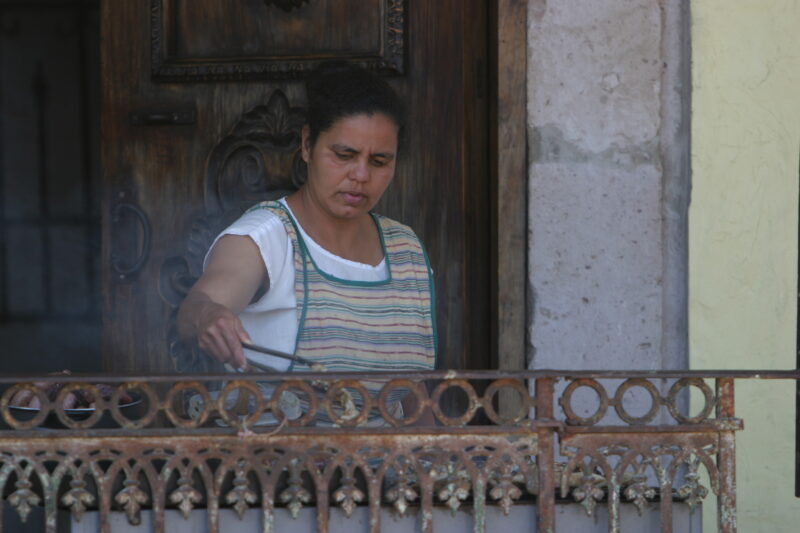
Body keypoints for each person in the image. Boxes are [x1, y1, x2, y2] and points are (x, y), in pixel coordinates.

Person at [177, 61, 437, 423]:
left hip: (389, 459)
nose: (361, 175)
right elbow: (196, 307)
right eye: (344, 155)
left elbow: (413, 397)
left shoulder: (405, 249)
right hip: (278, 457)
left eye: (379, 161)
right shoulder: (264, 239)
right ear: (307, 144)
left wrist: (434, 456)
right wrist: (208, 316)